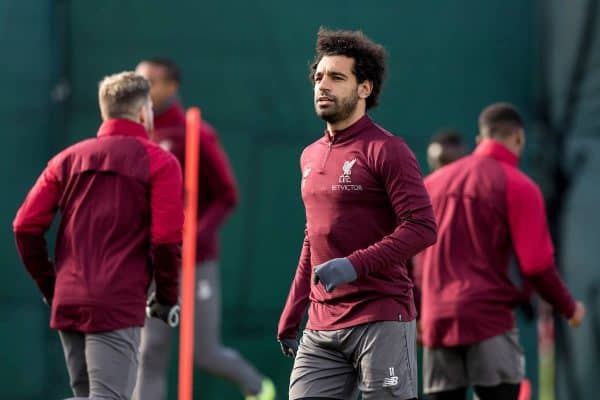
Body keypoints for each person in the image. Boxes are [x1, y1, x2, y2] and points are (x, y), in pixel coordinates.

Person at [276, 28, 437, 400]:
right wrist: (292, 310)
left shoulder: (387, 149)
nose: (322, 86)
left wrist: (354, 264)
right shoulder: (310, 155)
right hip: (320, 326)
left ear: (364, 88)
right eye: (318, 77)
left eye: (336, 77)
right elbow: (313, 236)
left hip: (380, 317)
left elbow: (423, 227)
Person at [13, 71, 183, 400]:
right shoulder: (160, 162)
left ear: (105, 111)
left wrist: (52, 285)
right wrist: (166, 296)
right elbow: (166, 239)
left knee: (88, 395)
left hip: (70, 299)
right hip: (116, 302)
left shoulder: (66, 159)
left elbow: (25, 226)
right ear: (143, 112)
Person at [414, 103, 585, 400]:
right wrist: (569, 307)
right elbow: (536, 266)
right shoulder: (519, 185)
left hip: (436, 321)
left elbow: (406, 258)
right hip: (489, 321)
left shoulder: (429, 186)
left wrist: (417, 314)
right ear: (519, 138)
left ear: (480, 141)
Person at [132, 58, 275, 400]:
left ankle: (258, 387)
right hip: (152, 262)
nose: (142, 89)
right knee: (150, 351)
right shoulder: (137, 134)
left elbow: (227, 195)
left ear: (170, 86)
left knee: (204, 352)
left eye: (149, 81)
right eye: (137, 81)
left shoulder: (194, 133)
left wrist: (193, 236)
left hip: (195, 263)